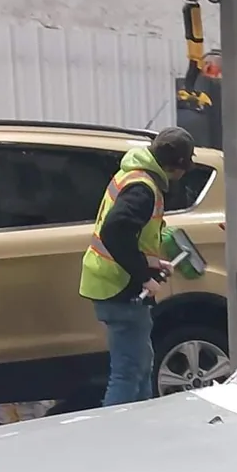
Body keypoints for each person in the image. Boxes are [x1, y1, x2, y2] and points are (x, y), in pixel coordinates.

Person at [79, 127, 196, 406]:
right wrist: (144, 275)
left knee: (141, 366)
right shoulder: (143, 189)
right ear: (177, 165)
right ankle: (114, 429)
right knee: (128, 373)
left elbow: (127, 236)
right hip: (119, 288)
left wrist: (152, 263)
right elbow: (114, 232)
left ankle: (143, 423)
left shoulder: (133, 175)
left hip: (112, 282)